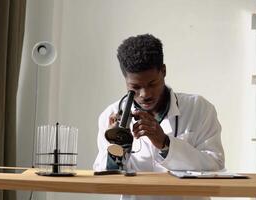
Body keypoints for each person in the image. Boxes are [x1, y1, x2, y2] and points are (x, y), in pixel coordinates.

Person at [93, 34, 224, 200]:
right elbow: (106, 178)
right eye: (135, 87)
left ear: (163, 71)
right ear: (125, 80)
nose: (145, 94)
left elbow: (215, 166)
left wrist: (165, 143)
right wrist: (116, 148)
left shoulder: (199, 108)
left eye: (152, 84)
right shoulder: (110, 116)